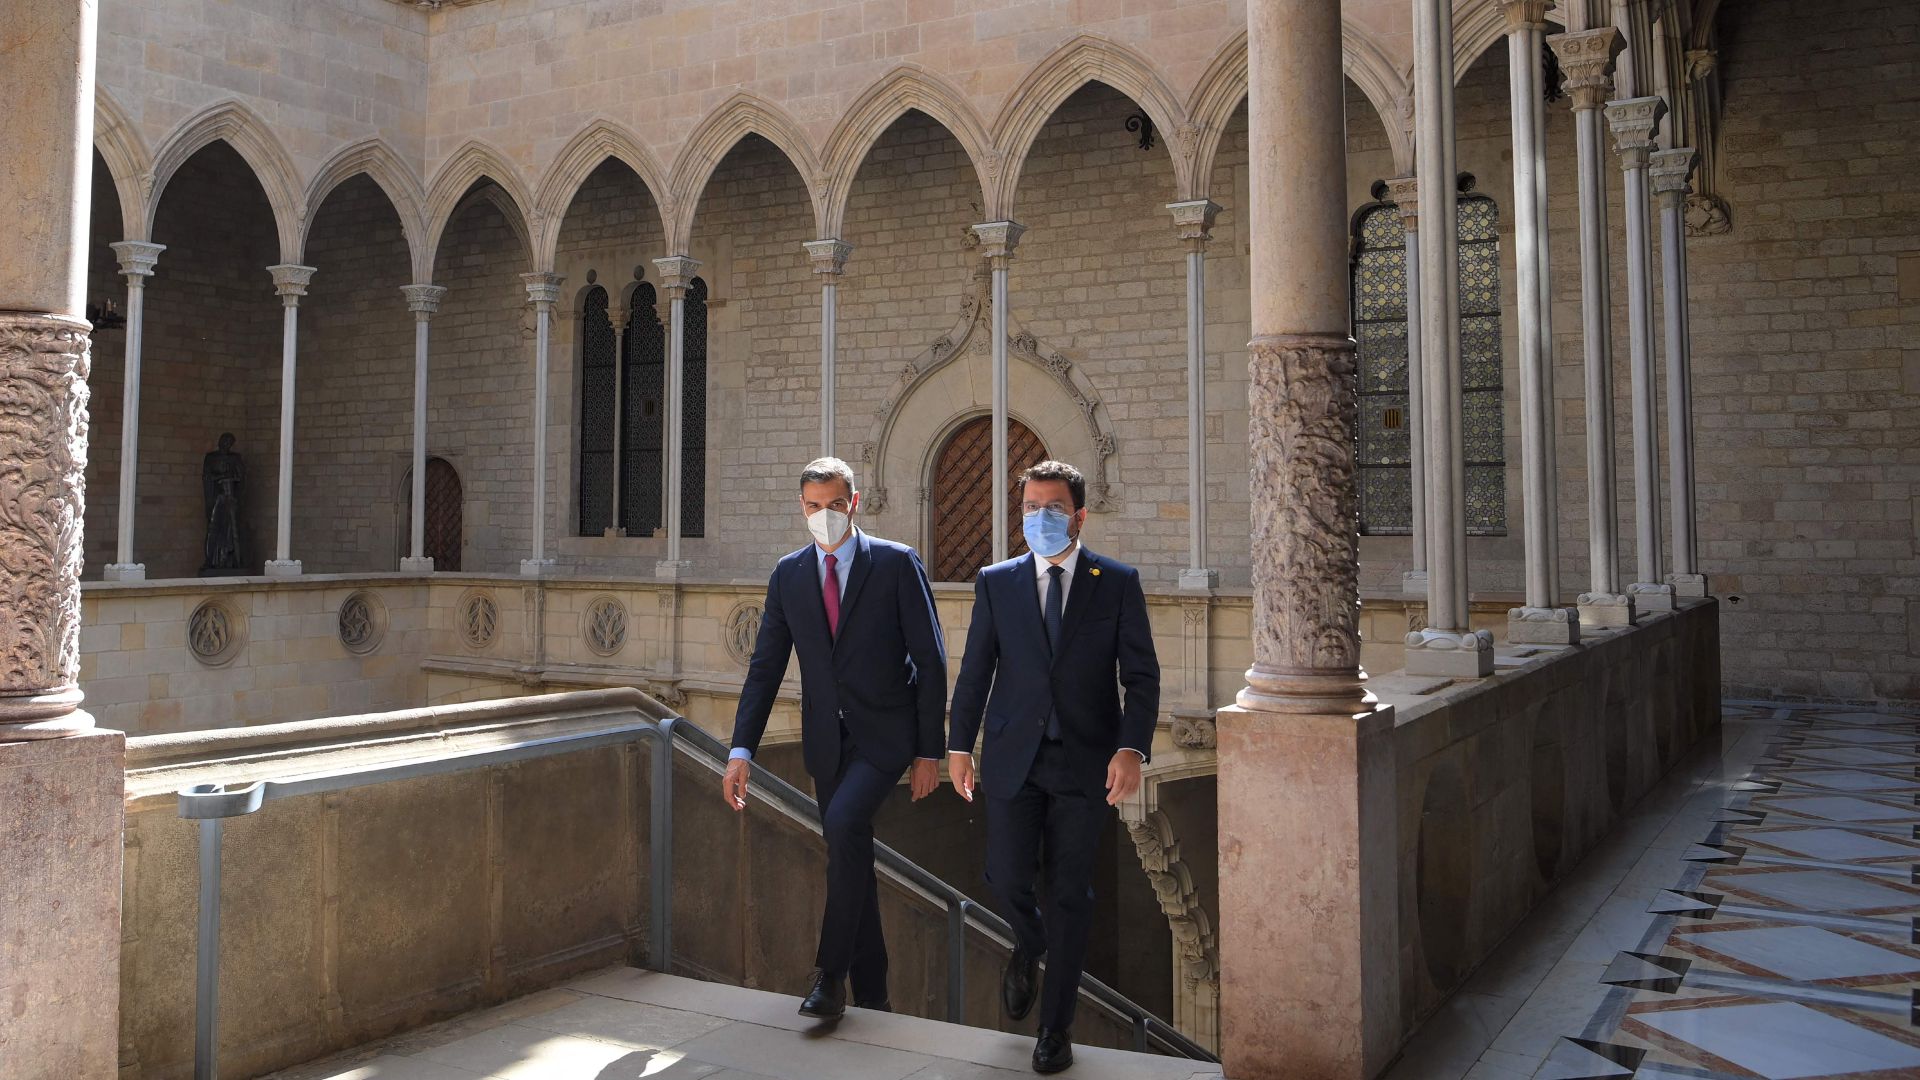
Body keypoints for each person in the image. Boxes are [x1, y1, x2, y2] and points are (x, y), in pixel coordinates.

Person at [947, 459, 1160, 1075]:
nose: (1040, 517)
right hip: (1012, 756)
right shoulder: (997, 581)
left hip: (1085, 763)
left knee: (1070, 894)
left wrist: (1132, 749)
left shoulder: (1115, 582)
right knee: (1006, 876)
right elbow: (976, 670)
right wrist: (958, 746)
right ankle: (1030, 942)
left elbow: (1141, 677)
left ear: (1080, 516)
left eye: (1054, 508)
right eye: (1031, 508)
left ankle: (1054, 1030)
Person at [724, 456, 946, 1019]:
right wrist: (741, 749)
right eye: (814, 506)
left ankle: (830, 977)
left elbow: (931, 660)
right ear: (801, 508)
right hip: (826, 740)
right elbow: (765, 667)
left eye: (836, 504)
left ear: (855, 503)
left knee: (845, 824)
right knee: (851, 852)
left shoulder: (896, 563)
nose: (826, 514)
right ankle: (875, 991)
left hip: (885, 735)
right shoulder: (789, 574)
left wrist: (929, 751)